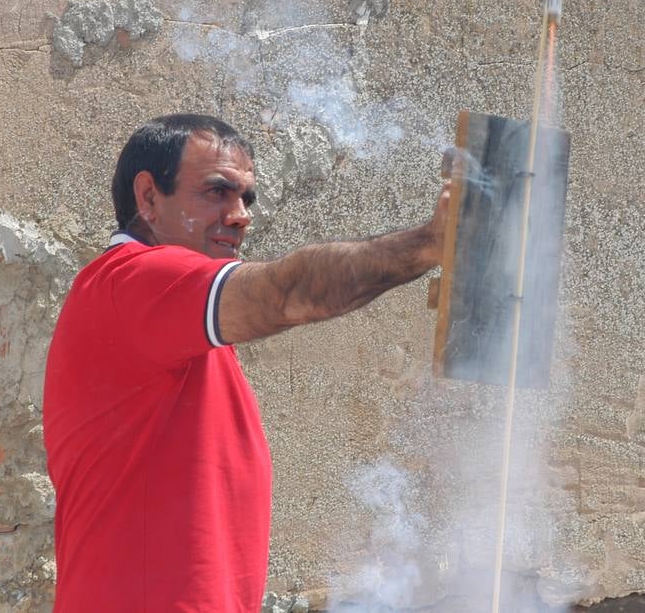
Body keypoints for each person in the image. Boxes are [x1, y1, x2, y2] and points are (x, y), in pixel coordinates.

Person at [43, 113, 449, 612]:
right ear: (148, 197)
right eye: (217, 192)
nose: (240, 216)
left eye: (246, 198)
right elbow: (289, 294)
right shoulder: (133, 281)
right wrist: (431, 243)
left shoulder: (166, 312)